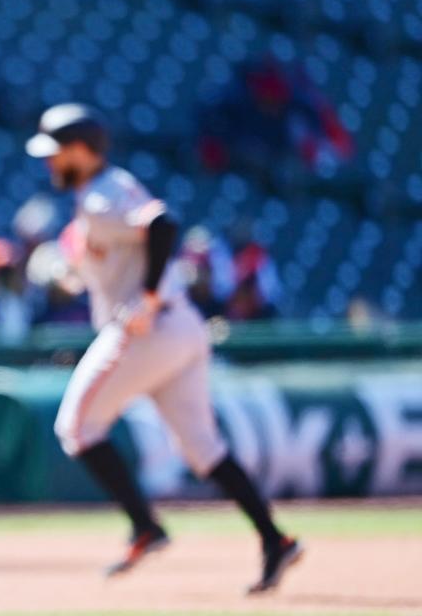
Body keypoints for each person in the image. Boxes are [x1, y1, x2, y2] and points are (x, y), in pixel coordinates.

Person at [25, 104, 302, 593]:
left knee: (77, 428)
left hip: (147, 330)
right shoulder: (104, 190)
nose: (50, 163)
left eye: (57, 152)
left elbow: (163, 224)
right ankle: (273, 538)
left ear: (84, 151)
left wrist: (148, 297)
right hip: (182, 328)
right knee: (204, 448)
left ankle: (145, 526)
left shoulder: (100, 195)